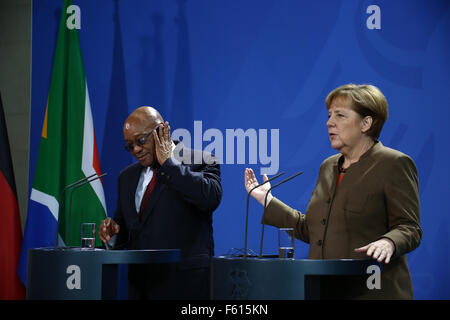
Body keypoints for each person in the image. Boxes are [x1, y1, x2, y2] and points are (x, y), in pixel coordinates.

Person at [245, 84, 422, 299]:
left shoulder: (394, 164)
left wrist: (389, 241)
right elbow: (312, 230)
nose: (329, 122)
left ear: (366, 123)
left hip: (372, 290)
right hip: (324, 290)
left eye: (340, 115)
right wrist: (267, 200)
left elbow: (409, 227)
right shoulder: (328, 167)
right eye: (329, 115)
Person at [99, 106, 222, 299]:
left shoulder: (201, 160)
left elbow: (210, 198)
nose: (136, 150)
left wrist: (169, 164)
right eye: (129, 146)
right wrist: (113, 233)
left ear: (161, 131)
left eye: (140, 141)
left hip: (184, 286)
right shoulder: (127, 177)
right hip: (140, 287)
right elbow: (126, 229)